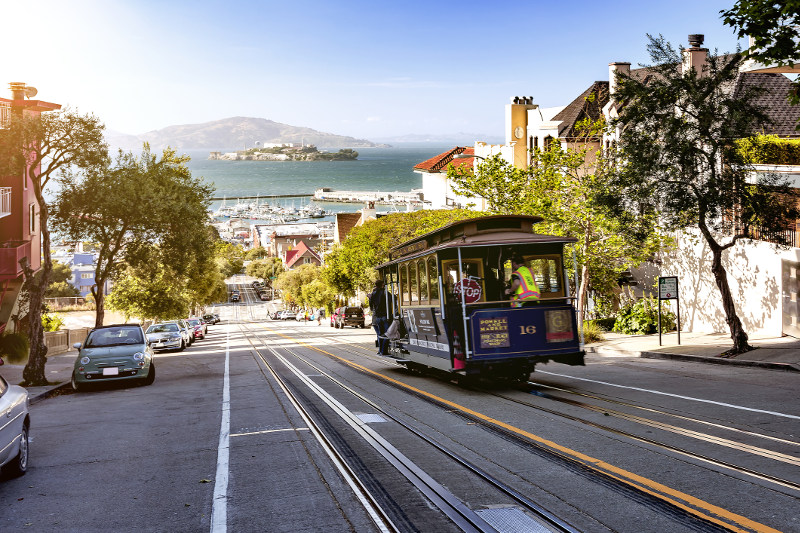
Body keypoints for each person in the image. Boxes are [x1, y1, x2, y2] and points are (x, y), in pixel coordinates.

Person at [369, 280, 391, 355]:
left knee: (380, 334)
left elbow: (371, 307)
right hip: (384, 316)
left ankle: (380, 351)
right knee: (387, 334)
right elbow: (392, 299)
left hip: (378, 317)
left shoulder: (373, 294)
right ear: (382, 285)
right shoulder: (385, 293)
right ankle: (384, 351)